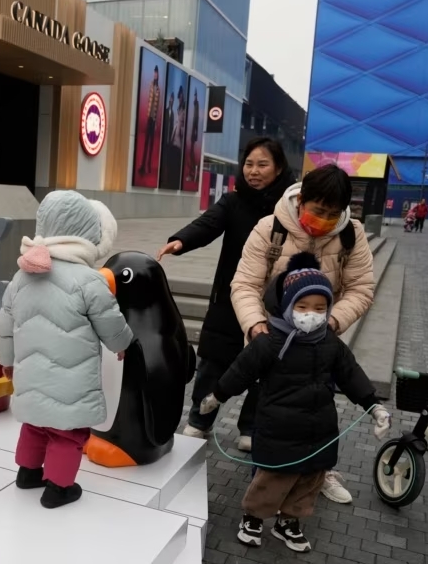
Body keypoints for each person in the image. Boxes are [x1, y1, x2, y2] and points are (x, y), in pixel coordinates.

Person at [199, 253, 391, 553]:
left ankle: (289, 521)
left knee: (310, 479)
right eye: (302, 307)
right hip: (278, 427)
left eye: (319, 308)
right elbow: (240, 371)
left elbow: (351, 375)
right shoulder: (270, 341)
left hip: (320, 429)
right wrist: (217, 396)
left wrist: (374, 406)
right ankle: (253, 517)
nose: (310, 314)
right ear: (287, 307)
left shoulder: (330, 343)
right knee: (272, 477)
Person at [231, 164, 376, 505]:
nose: (324, 219)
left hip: (318, 341)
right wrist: (256, 326)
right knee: (273, 412)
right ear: (301, 201)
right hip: (274, 340)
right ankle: (265, 484)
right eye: (317, 210)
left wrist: (332, 323)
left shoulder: (351, 235)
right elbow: (245, 284)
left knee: (317, 409)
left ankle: (317, 474)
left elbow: (361, 288)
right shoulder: (270, 228)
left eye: (332, 213)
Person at [0, 190, 133, 509]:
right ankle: (59, 488)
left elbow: (3, 324)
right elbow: (110, 321)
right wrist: (122, 344)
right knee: (66, 432)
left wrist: (6, 361)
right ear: (87, 232)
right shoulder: (88, 280)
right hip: (70, 379)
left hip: (30, 372)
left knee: (36, 422)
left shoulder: (20, 275)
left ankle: (28, 473)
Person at [157, 138, 292, 452]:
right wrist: (180, 241)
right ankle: (199, 420)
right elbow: (208, 223)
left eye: (262, 164)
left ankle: (250, 427)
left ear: (279, 167)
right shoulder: (233, 201)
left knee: (264, 369)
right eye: (249, 164)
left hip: (272, 303)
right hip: (228, 300)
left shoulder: (288, 208)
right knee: (211, 366)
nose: (253, 171)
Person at [138, 66, 160, 175]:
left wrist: (155, 122)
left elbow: (157, 106)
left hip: (154, 119)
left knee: (151, 144)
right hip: (149, 118)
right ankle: (142, 165)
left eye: (156, 73)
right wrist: (148, 115)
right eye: (154, 73)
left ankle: (148, 166)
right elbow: (149, 102)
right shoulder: (151, 85)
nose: (155, 75)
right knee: (146, 143)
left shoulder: (158, 89)